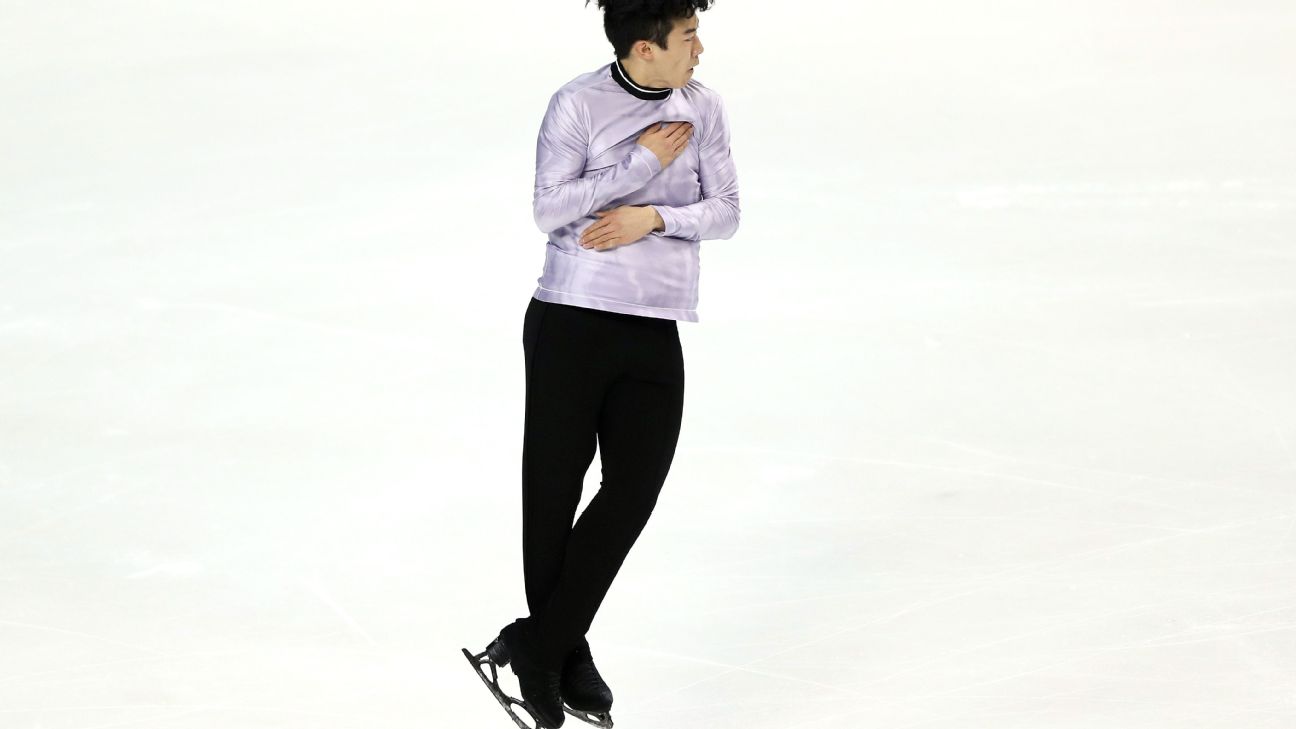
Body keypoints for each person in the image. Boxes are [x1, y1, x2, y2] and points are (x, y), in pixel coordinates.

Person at [485, 2, 739, 727]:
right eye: (688, 36)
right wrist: (643, 165)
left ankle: (539, 643)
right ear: (645, 47)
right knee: (554, 487)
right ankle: (561, 651)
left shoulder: (703, 107)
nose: (700, 48)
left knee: (634, 488)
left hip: (653, 326)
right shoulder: (577, 103)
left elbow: (726, 211)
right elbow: (549, 209)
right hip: (571, 318)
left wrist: (651, 217)